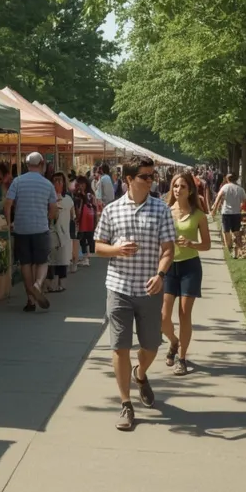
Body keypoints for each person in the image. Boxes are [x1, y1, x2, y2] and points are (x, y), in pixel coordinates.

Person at [94, 155, 175, 431]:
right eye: (145, 176)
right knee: (120, 346)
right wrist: (116, 250)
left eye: (153, 176)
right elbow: (98, 246)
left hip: (149, 288)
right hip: (118, 287)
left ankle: (140, 374)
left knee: (151, 346)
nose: (152, 180)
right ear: (129, 179)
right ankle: (126, 403)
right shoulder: (112, 210)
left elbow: (168, 250)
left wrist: (160, 274)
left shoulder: (161, 209)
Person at [162, 171, 212, 376]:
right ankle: (173, 342)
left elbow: (207, 245)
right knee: (163, 316)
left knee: (184, 314)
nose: (178, 189)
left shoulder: (198, 215)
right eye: (175, 186)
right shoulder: (165, 211)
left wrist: (192, 243)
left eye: (182, 186)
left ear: (190, 189)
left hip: (190, 267)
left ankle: (182, 358)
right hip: (168, 267)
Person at [4, 152, 58, 311]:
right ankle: (38, 284)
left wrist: (9, 223)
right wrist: (49, 218)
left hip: (21, 228)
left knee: (25, 263)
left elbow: (7, 204)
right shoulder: (47, 184)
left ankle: (30, 300)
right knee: (42, 261)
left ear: (27, 164)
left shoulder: (18, 181)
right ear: (42, 163)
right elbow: (54, 208)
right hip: (40, 227)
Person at [47, 172, 75, 291]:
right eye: (55, 181)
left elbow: (72, 216)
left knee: (63, 259)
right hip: (52, 232)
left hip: (64, 233)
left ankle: (61, 283)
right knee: (51, 258)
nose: (57, 183)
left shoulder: (68, 199)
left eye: (60, 181)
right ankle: (50, 283)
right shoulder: (48, 199)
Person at [211, 173, 246, 259]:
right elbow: (245, 200)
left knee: (226, 231)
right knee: (236, 231)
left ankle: (230, 248)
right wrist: (245, 206)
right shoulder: (240, 189)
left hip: (226, 212)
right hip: (236, 213)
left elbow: (218, 198)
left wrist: (214, 209)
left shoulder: (225, 187)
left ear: (227, 179)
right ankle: (237, 249)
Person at [75, 177, 97, 266]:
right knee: (84, 238)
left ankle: (86, 258)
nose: (81, 186)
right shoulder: (79, 194)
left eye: (82, 184)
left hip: (87, 219)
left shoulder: (88, 194)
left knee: (85, 238)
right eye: (79, 184)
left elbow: (92, 204)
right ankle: (85, 257)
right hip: (85, 218)